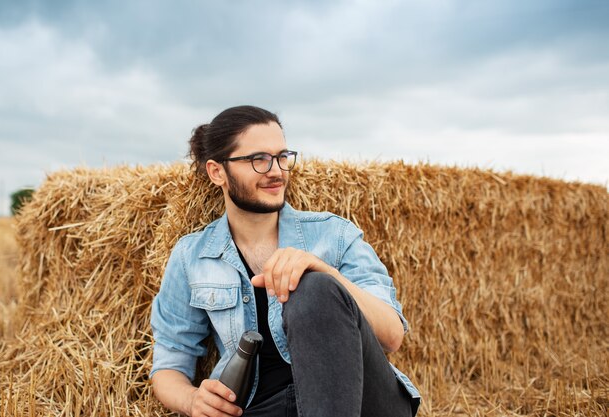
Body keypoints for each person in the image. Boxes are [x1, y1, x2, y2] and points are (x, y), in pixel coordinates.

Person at [150, 105, 421, 417]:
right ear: (217, 172)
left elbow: (392, 335)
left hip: (365, 404)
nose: (277, 171)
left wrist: (325, 272)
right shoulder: (192, 256)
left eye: (282, 157)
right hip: (264, 408)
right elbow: (170, 363)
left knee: (316, 287)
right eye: (259, 160)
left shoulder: (333, 234)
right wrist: (192, 399)